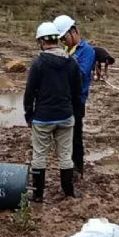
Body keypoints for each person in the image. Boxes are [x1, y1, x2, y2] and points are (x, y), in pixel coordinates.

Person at [23, 21, 83, 201]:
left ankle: (38, 194)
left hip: (42, 118)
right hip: (65, 117)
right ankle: (68, 191)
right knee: (65, 155)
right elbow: (77, 92)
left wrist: (29, 116)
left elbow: (30, 92)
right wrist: (73, 112)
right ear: (57, 39)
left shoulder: (38, 63)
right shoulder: (71, 61)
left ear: (41, 41)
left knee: (39, 155)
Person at [53, 14, 95, 177]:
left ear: (74, 31)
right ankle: (68, 164)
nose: (63, 42)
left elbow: (82, 74)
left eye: (64, 38)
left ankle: (78, 167)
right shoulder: (67, 50)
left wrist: (67, 63)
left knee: (76, 135)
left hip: (77, 100)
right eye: (61, 40)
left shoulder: (87, 51)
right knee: (64, 135)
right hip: (64, 98)